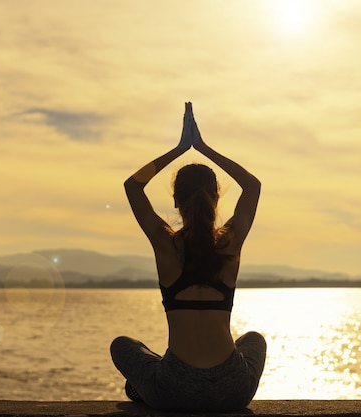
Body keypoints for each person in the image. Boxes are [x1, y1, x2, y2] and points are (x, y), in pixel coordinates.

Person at [110, 102, 266, 412]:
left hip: (174, 393)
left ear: (176, 201)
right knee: (254, 340)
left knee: (124, 346)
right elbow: (252, 185)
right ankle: (150, 379)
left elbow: (133, 185)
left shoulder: (166, 245)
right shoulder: (229, 245)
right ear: (216, 198)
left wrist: (180, 149)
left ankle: (145, 383)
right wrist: (204, 148)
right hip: (232, 391)